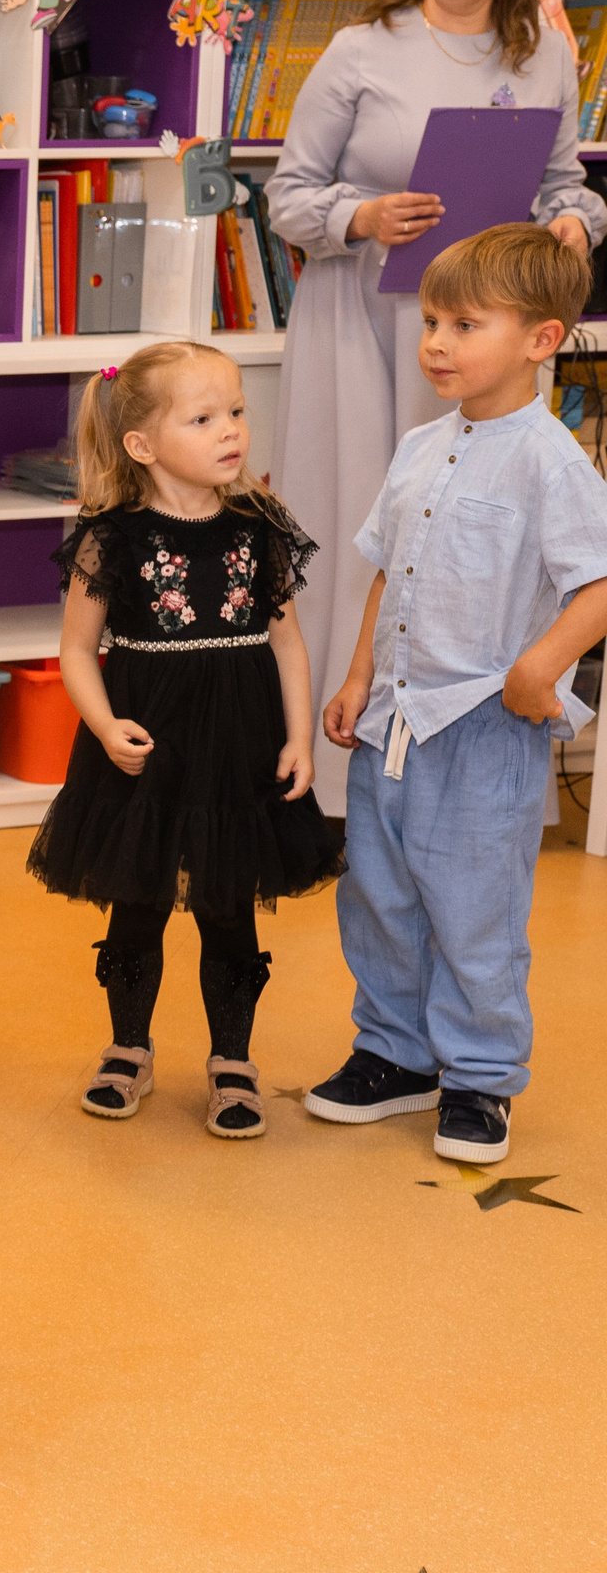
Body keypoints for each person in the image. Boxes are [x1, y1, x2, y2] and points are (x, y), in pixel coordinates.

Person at [266, 0, 602, 814]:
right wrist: (363, 217)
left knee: (472, 538)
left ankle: (463, 780)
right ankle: (331, 778)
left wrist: (577, 222)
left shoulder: (547, 57)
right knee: (362, 524)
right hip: (366, 322)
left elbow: (565, 186)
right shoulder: (360, 48)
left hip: (488, 332)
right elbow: (286, 199)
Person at [308, 225, 607, 1163]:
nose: (435, 341)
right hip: (397, 719)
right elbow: (387, 575)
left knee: (474, 908)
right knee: (381, 898)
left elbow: (598, 584)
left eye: (464, 323)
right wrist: (358, 675)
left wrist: (536, 668)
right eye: (432, 320)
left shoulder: (551, 460)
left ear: (541, 338)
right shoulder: (419, 447)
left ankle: (479, 1077)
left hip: (485, 728)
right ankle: (397, 1054)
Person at [27, 342, 345, 1138]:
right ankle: (128, 1046)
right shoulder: (111, 536)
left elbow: (287, 643)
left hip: (239, 745)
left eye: (236, 411)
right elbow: (74, 650)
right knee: (137, 904)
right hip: (145, 748)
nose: (232, 430)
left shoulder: (258, 525)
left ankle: (232, 1060)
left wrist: (301, 736)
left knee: (229, 906)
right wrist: (102, 726)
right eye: (204, 418)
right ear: (142, 443)